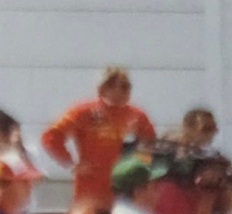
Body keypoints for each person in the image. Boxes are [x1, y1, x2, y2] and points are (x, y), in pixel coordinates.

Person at [41, 67, 155, 206]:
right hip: (90, 187)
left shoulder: (136, 115)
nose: (120, 92)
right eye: (113, 86)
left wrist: (140, 168)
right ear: (102, 88)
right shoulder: (84, 111)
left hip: (123, 188)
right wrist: (71, 164)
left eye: (125, 87)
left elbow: (151, 144)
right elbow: (51, 137)